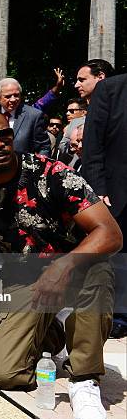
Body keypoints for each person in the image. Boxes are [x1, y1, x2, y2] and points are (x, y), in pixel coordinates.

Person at [0, 106, 122, 419]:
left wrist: (65, 265)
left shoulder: (53, 174)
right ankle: (56, 328)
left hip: (80, 266)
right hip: (27, 279)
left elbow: (110, 233)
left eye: (4, 134)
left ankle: (85, 378)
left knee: (96, 272)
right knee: (6, 373)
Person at [82, 73, 127, 339]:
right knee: (118, 258)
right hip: (116, 192)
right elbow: (93, 145)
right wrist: (99, 190)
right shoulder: (110, 90)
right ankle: (119, 315)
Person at [0, 77, 50, 156]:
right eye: (8, 96)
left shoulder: (34, 116)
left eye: (16, 95)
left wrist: (38, 166)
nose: (13, 99)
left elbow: (44, 147)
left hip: (21, 166)